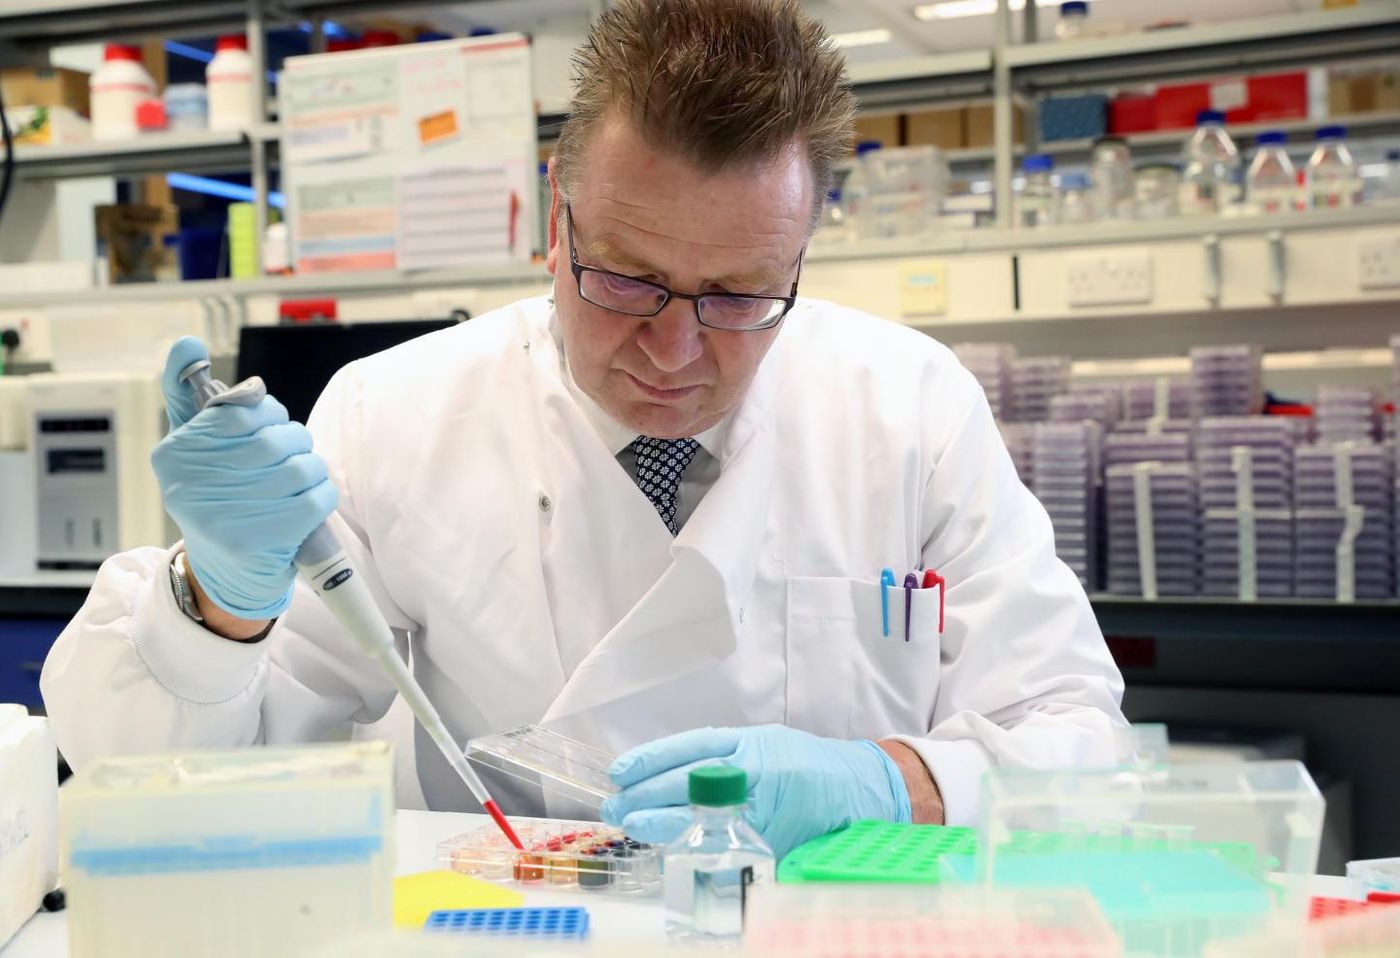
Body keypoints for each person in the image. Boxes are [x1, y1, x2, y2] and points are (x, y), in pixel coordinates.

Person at [41, 0, 1125, 860]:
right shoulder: (397, 414)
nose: (673, 351)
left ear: (798, 253)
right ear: (554, 214)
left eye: (739, 295)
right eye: (627, 280)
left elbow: (1081, 741)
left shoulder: (905, 405)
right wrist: (219, 608)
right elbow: (187, 790)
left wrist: (897, 782)